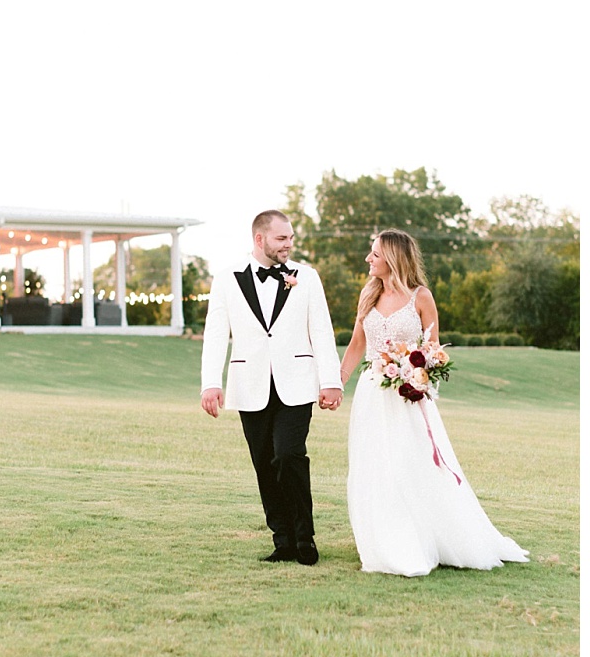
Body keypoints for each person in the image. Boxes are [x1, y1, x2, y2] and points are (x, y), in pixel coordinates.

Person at [339, 229, 528, 576]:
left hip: (407, 396)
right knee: (375, 465)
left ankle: (427, 537)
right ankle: (384, 538)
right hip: (371, 395)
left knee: (410, 464)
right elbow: (355, 346)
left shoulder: (420, 297)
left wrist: (415, 373)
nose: (369, 259)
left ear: (394, 258)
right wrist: (336, 383)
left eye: (375, 254)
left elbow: (433, 349)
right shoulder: (368, 295)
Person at [201, 210, 344, 565]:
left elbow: (322, 331)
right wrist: (210, 383)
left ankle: (304, 538)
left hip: (297, 382)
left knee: (288, 454)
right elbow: (216, 333)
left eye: (291, 238)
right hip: (249, 384)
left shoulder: (306, 277)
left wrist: (331, 381)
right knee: (264, 463)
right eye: (282, 238)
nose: (289, 244)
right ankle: (282, 541)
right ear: (260, 239)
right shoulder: (226, 279)